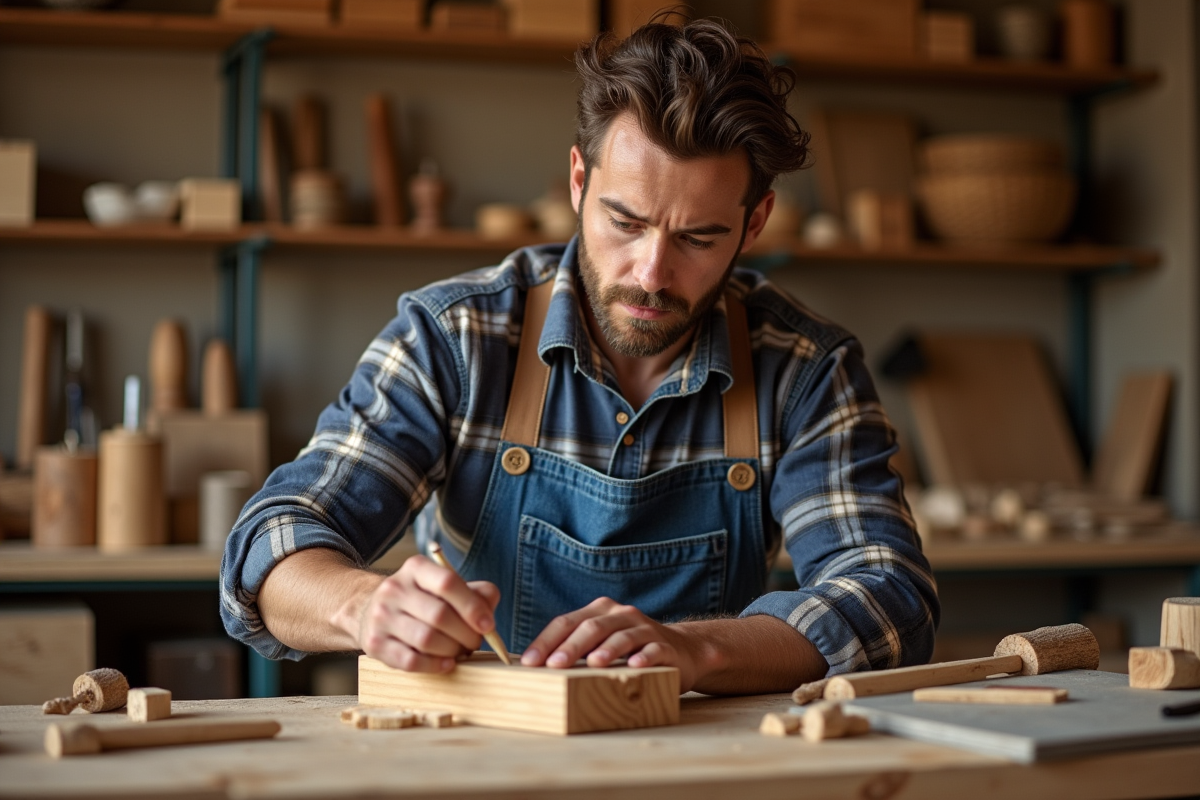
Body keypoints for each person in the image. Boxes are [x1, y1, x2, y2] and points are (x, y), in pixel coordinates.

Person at [220, 17, 939, 695]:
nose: (651, 274)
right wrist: (363, 605)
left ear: (754, 223)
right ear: (577, 182)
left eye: (697, 238)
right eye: (625, 221)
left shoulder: (806, 369)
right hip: (478, 753)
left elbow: (887, 596)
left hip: (699, 753)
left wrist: (699, 651)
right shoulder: (457, 338)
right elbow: (270, 544)